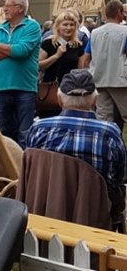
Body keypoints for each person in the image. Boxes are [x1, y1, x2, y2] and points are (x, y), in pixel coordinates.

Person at [25, 69, 127, 225]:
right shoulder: (109, 133)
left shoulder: (38, 128)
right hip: (92, 218)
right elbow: (119, 177)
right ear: (94, 101)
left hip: (44, 213)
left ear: (59, 99)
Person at [0, 0, 41, 148]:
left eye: (8, 6)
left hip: (25, 88)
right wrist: (10, 51)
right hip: (1, 89)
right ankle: (6, 162)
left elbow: (22, 51)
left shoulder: (32, 26)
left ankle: (23, 162)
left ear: (19, 8)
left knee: (24, 133)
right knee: (1, 133)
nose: (4, 9)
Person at [83, 0, 127, 125]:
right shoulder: (125, 31)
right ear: (119, 12)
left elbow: (86, 58)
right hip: (121, 79)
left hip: (99, 78)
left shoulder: (94, 33)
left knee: (103, 117)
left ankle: (103, 137)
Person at [37, 11, 85, 103]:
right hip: (51, 88)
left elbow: (80, 70)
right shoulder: (48, 43)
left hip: (71, 90)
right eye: (65, 25)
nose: (68, 28)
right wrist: (56, 56)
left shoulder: (78, 45)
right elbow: (38, 66)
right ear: (58, 27)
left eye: (71, 25)